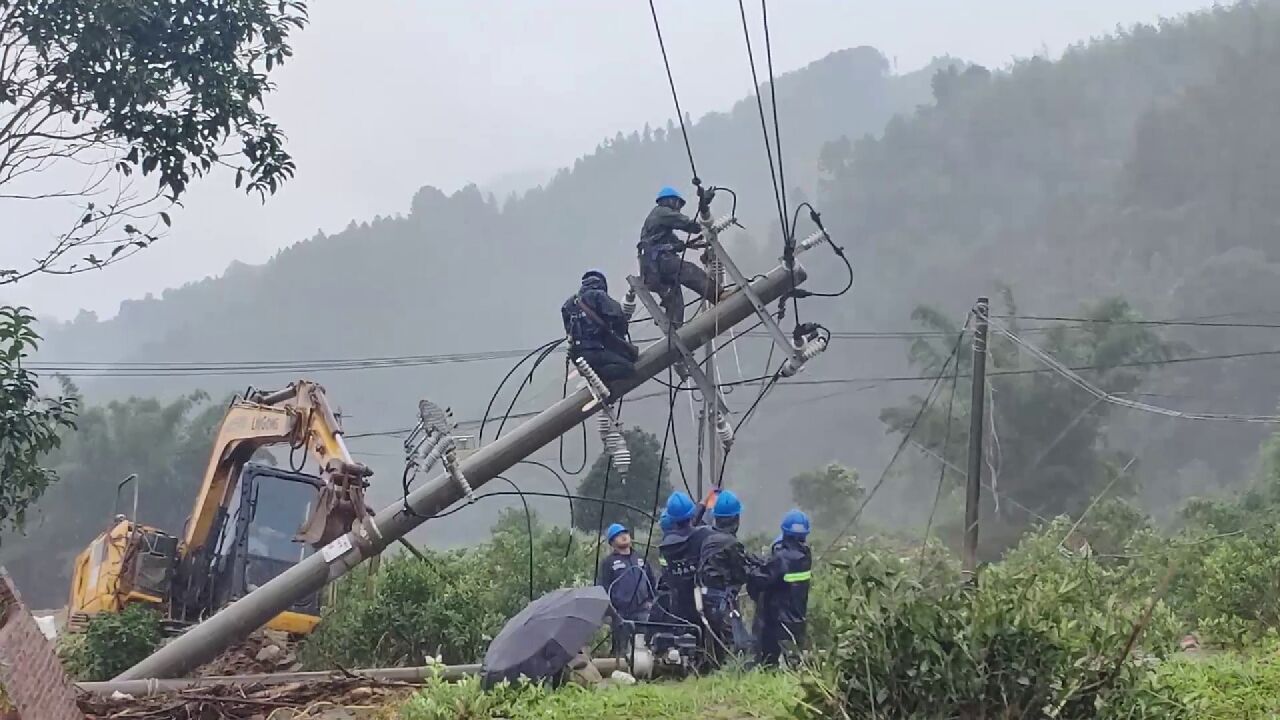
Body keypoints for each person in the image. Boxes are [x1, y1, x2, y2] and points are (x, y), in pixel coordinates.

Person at [637, 186, 724, 327]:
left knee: (674, 302)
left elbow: (673, 242)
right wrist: (703, 207)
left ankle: (673, 332)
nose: (678, 208)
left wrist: (687, 244)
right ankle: (718, 294)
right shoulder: (662, 212)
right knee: (689, 271)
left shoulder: (657, 223)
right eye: (678, 204)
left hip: (652, 270)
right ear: (670, 201)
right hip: (659, 262)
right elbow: (688, 225)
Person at [748, 509, 812, 667]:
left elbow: (759, 579)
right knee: (793, 662)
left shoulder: (780, 559)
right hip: (797, 621)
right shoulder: (805, 556)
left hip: (777, 623)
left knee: (769, 664)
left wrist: (750, 568)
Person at [696, 490, 755, 661]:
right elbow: (741, 573)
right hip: (722, 601)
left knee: (715, 644)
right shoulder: (732, 544)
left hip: (706, 599)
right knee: (737, 643)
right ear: (735, 519)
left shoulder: (708, 538)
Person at [561, 269, 639, 386]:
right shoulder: (597, 295)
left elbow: (570, 331)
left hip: (578, 355)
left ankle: (593, 374)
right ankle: (600, 375)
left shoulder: (568, 305)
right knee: (628, 368)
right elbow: (618, 317)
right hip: (597, 350)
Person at [598, 523, 656, 659]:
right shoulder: (608, 563)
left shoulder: (640, 558)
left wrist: (651, 601)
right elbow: (603, 587)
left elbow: (652, 582)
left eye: (625, 533)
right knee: (621, 650)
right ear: (612, 542)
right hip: (621, 613)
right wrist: (611, 610)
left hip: (643, 611)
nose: (623, 536)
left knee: (644, 646)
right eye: (618, 535)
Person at [656, 491, 712, 631]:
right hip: (704, 605)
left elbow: (666, 575)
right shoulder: (704, 536)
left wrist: (702, 505)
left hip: (679, 608)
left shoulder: (665, 547)